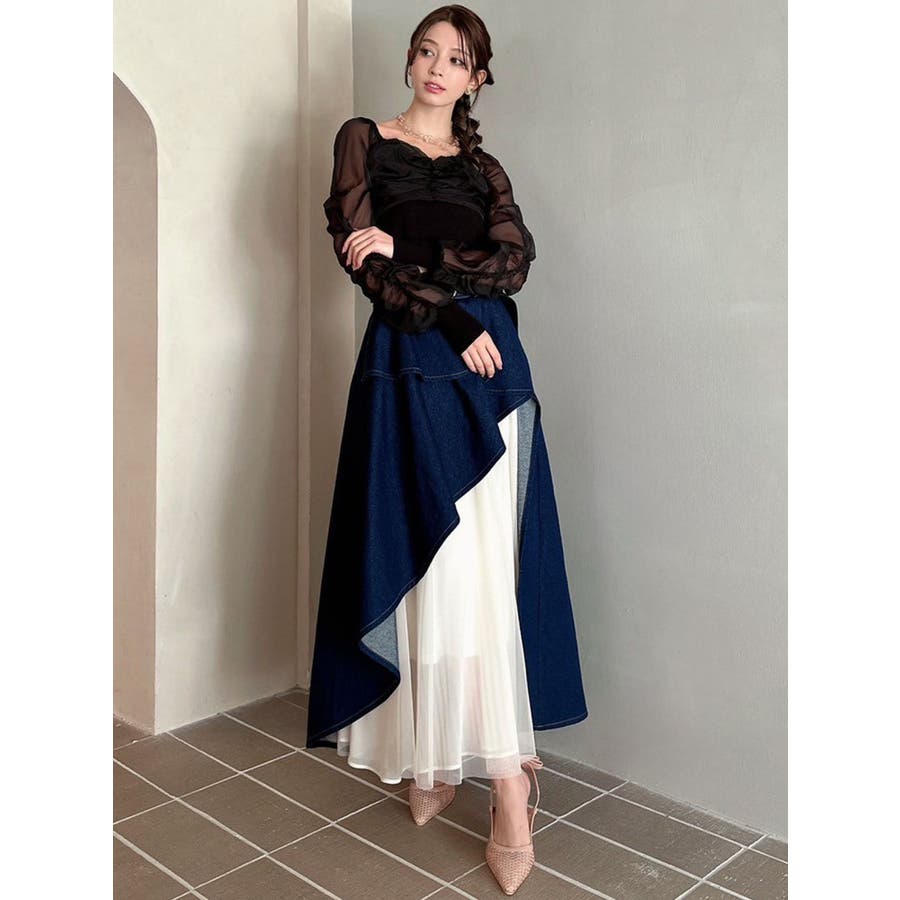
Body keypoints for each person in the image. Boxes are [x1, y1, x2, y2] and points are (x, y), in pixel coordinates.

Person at [305, 6, 588, 894]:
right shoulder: (363, 140)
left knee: (481, 572)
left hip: (491, 373)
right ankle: (431, 757)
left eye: (457, 59)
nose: (437, 67)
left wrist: (417, 248)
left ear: (476, 79)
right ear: (410, 60)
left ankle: (509, 783)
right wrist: (453, 313)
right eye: (426, 51)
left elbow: (513, 262)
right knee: (425, 567)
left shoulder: (483, 168)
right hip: (410, 365)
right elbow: (364, 261)